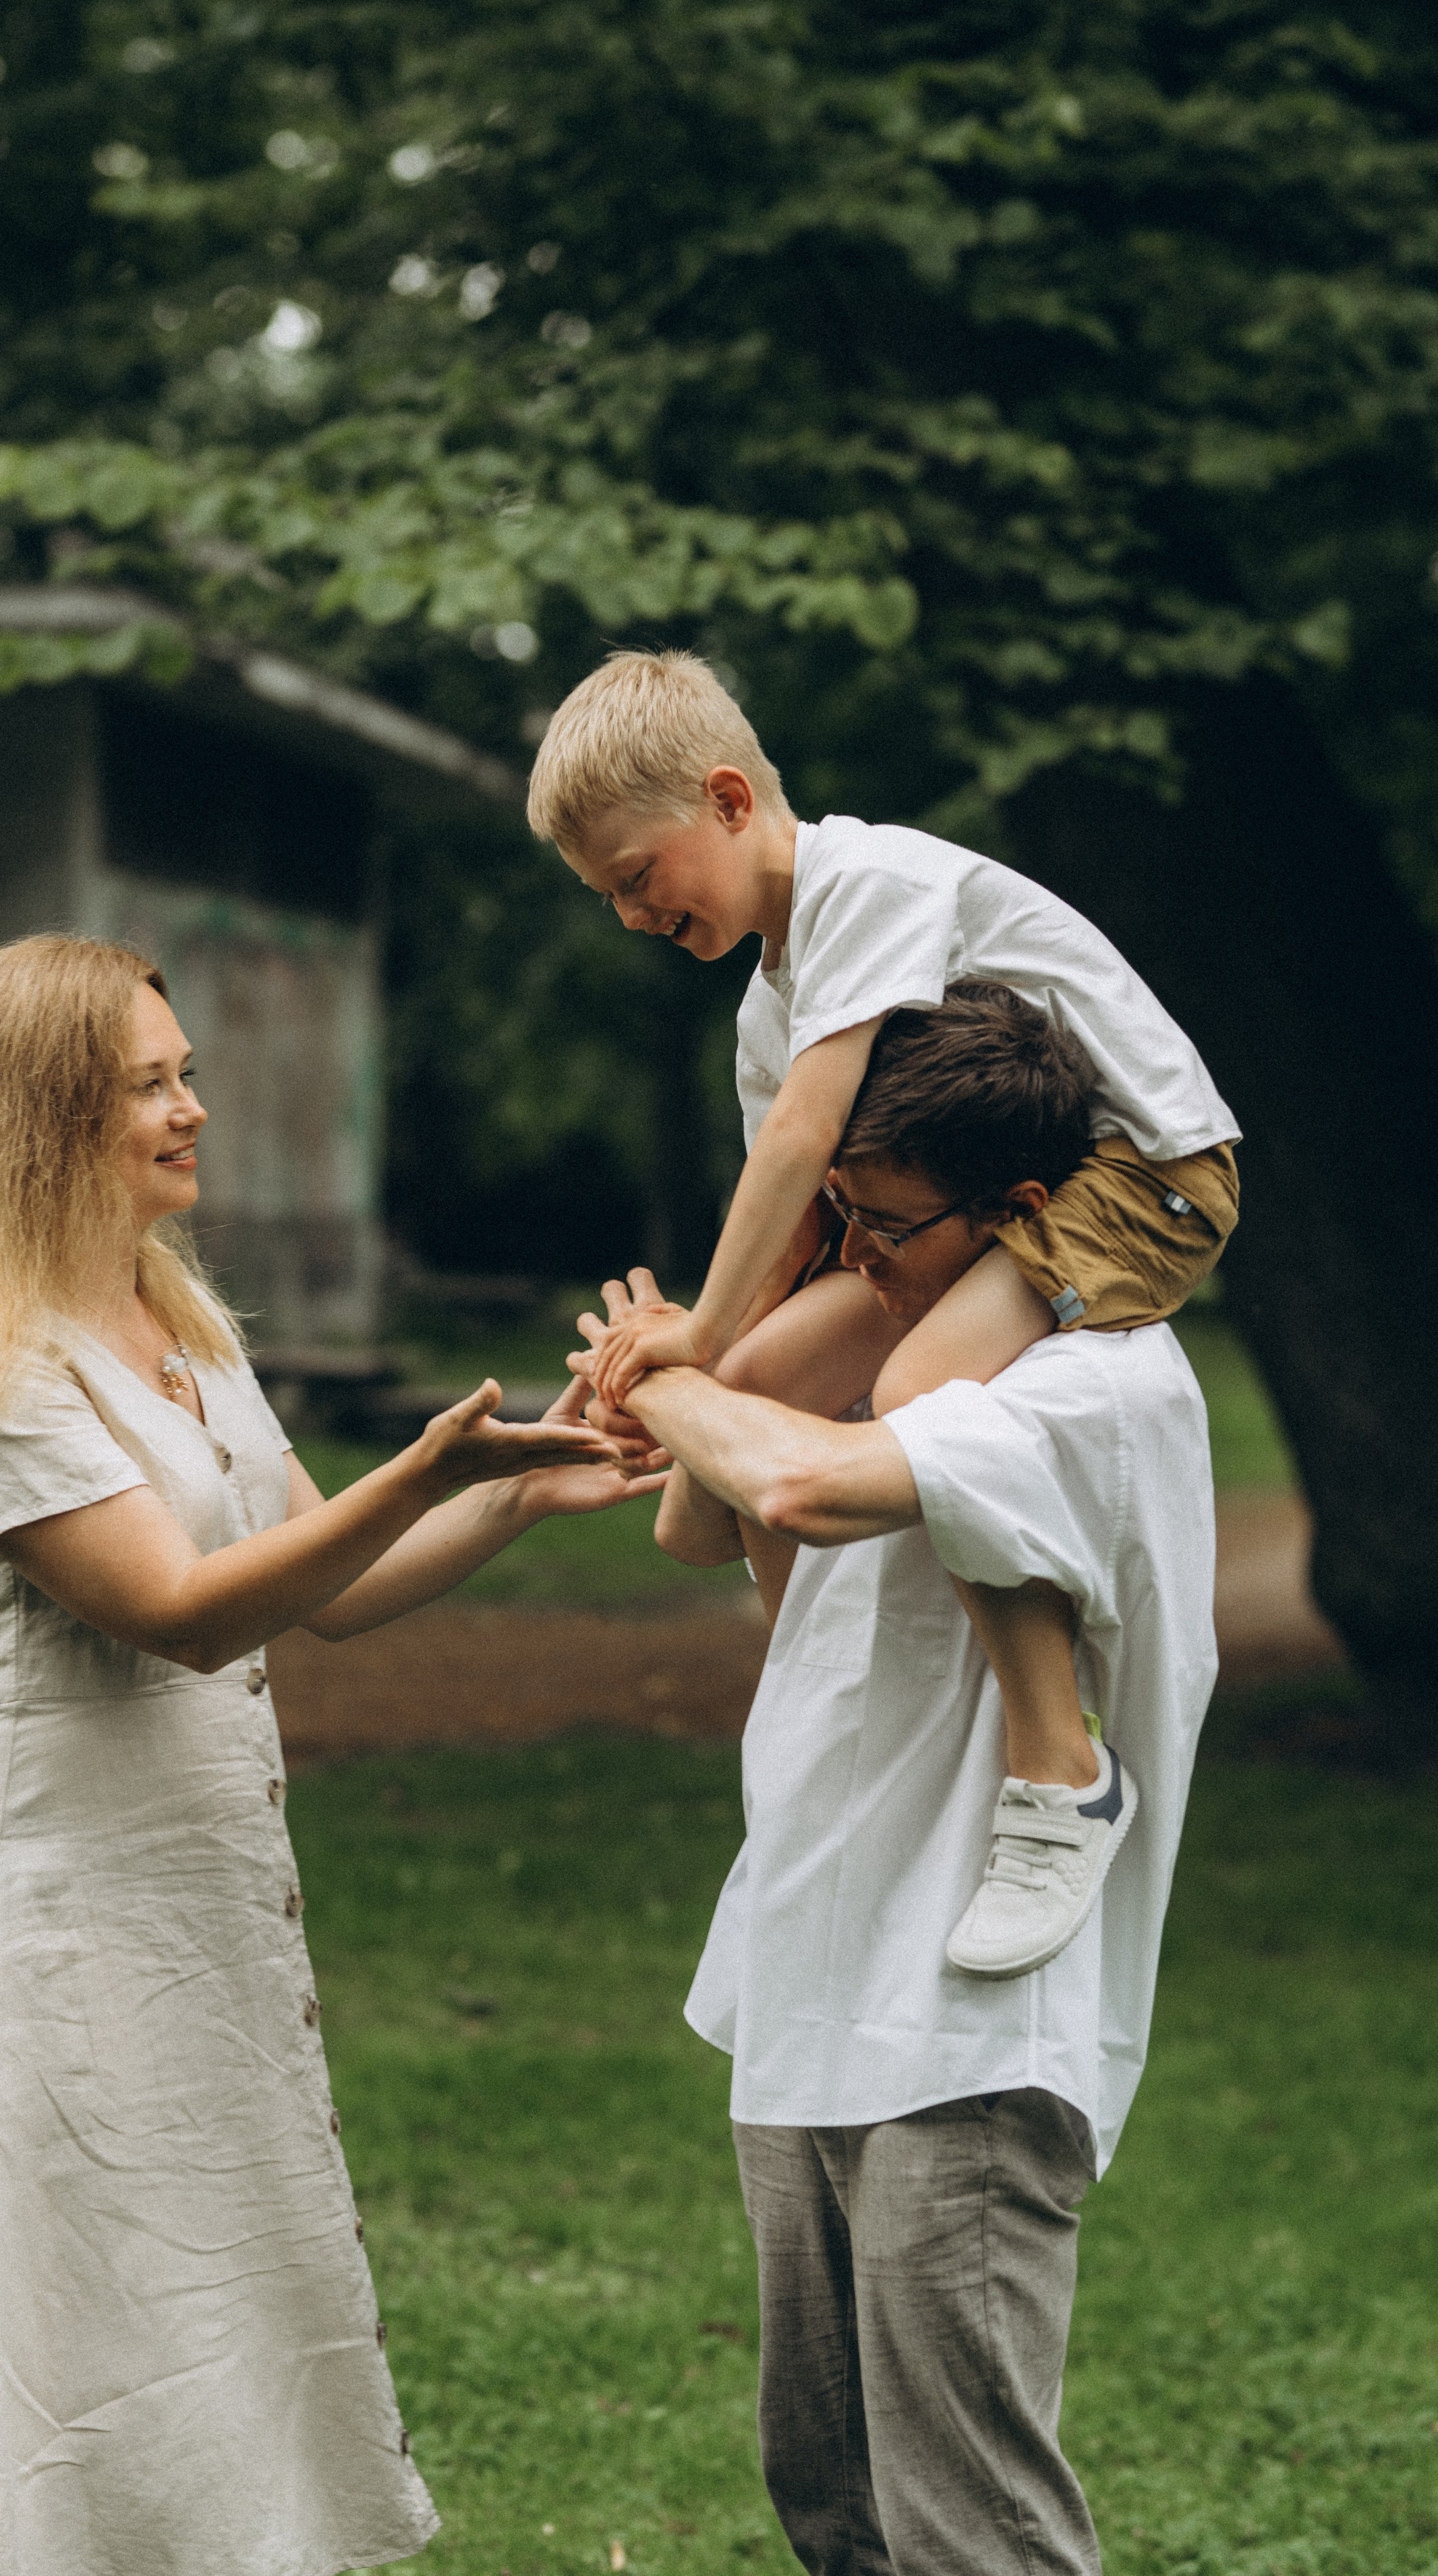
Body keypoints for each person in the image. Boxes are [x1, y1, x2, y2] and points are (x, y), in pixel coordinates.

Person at [0, 934, 653, 2576]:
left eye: (184, 1074)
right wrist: (417, 1475)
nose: (191, 1110)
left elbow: (321, 1590)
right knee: (76, 2337)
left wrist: (507, 1496)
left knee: (226, 2309)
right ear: (41, 1116)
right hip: (53, 1911)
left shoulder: (180, 1328)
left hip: (196, 1902)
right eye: (150, 1085)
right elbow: (187, 1615)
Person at [571, 984, 1217, 2576]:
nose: (854, 1254)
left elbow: (787, 1478)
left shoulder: (1092, 1392)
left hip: (965, 2038)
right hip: (810, 1989)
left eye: (879, 1224)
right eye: (833, 1216)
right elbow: (708, 1525)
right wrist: (766, 1317)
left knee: (970, 2528)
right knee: (836, 2507)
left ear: (1017, 1218)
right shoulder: (888, 1352)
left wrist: (662, 1370)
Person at [530, 649, 1237, 1976]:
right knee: (746, 1412)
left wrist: (687, 1342)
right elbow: (803, 1219)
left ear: (730, 802)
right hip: (963, 1200)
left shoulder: (869, 883)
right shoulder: (763, 1007)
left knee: (921, 1395)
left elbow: (804, 1137)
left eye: (637, 877)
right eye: (604, 897)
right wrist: (701, 1380)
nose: (629, 916)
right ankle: (820, 1716)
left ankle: (1057, 1763)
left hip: (1140, 1175)